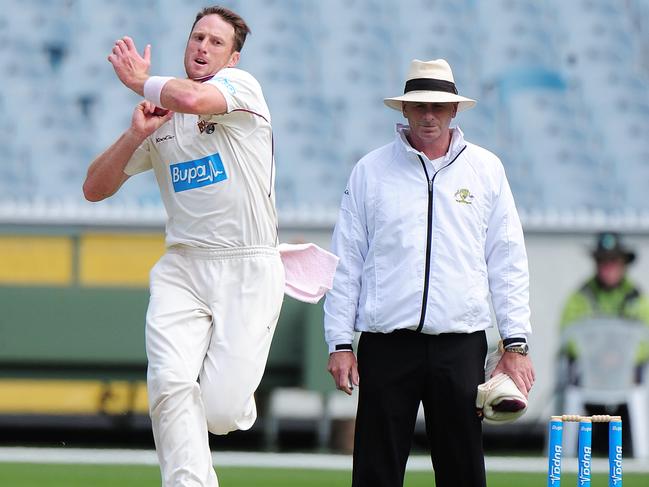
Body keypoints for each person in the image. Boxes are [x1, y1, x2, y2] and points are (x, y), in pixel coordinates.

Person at [83, 6, 284, 486]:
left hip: (248, 265)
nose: (202, 47)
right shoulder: (162, 114)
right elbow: (94, 188)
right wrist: (136, 133)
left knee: (219, 412)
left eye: (216, 43)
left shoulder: (241, 89)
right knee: (170, 386)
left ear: (232, 59)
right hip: (183, 266)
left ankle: (230, 400)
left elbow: (193, 98)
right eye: (197, 37)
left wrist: (141, 83)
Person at [323, 59, 535, 487]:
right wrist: (339, 342)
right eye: (419, 106)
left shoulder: (486, 170)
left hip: (460, 344)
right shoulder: (370, 171)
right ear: (404, 110)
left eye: (438, 106)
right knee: (375, 471)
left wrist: (516, 342)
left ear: (454, 110)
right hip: (386, 344)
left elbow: (508, 259)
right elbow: (345, 260)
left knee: (462, 471)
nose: (429, 115)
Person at [559, 231, 649, 453]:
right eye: (602, 260)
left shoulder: (637, 297)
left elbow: (645, 341)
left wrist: (619, 358)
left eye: (613, 260)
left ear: (623, 264)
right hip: (590, 375)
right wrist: (597, 356)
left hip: (626, 378)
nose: (607, 266)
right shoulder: (581, 296)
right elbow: (568, 337)